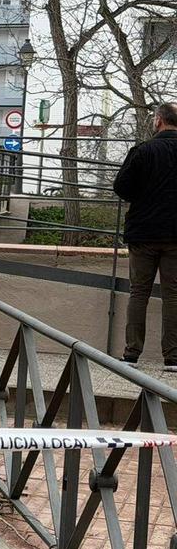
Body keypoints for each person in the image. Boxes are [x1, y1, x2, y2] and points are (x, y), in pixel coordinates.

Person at [113, 103, 177, 370]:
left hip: (143, 232)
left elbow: (121, 186)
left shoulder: (142, 151)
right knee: (174, 295)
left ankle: (132, 354)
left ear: (159, 120)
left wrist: (142, 196)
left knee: (139, 292)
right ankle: (173, 357)